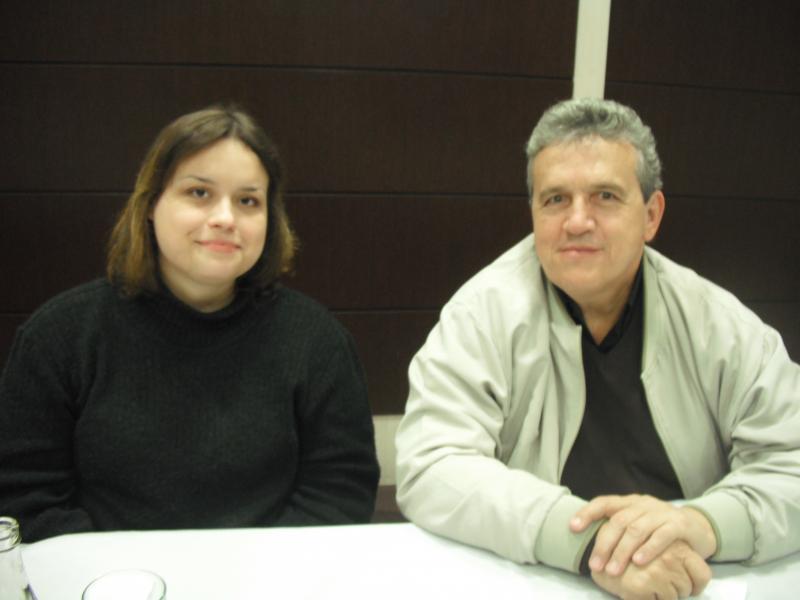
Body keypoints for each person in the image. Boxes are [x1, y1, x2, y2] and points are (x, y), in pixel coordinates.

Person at [395, 98, 800, 599]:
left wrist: (703, 523)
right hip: (539, 577)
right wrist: (589, 542)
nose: (577, 221)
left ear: (651, 215)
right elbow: (431, 467)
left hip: (688, 577)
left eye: (605, 196)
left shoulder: (719, 325)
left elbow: (791, 461)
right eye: (555, 199)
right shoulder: (480, 316)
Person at [0, 105, 380, 542]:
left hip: (268, 572)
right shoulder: (60, 336)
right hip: (108, 574)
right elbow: (26, 497)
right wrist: (122, 572)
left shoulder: (316, 341)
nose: (225, 218)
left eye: (248, 201)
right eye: (199, 193)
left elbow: (340, 492)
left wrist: (254, 570)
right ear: (150, 204)